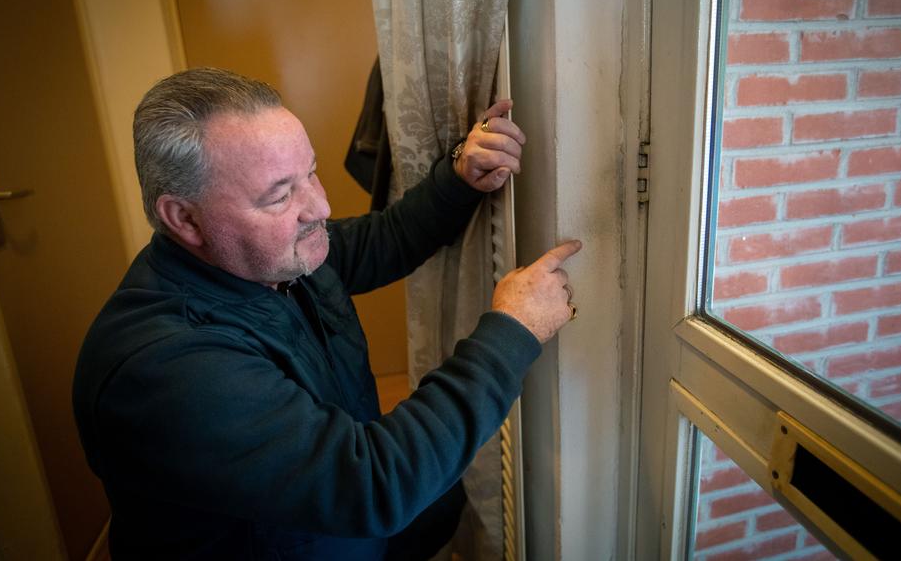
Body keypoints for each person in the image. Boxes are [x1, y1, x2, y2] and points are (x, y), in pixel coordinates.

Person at [73, 67, 580, 560]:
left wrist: (459, 179)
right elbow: (371, 486)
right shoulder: (164, 368)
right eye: (279, 194)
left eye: (310, 172)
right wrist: (512, 331)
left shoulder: (269, 255)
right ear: (184, 218)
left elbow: (385, 240)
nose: (318, 206)